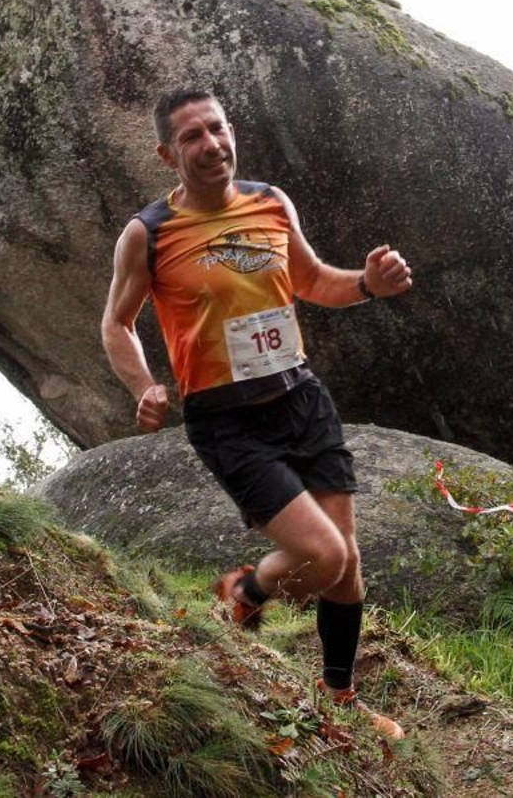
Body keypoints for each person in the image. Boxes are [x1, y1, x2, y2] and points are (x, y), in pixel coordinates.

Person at [101, 88, 413, 739]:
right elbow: (118, 322)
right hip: (228, 419)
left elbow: (312, 279)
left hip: (301, 397)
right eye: (192, 136)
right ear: (168, 152)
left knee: (346, 562)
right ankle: (245, 591)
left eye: (216, 129)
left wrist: (366, 283)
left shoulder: (271, 202)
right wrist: (143, 385)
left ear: (231, 132)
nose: (210, 145)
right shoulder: (150, 232)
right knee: (323, 557)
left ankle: (339, 695)